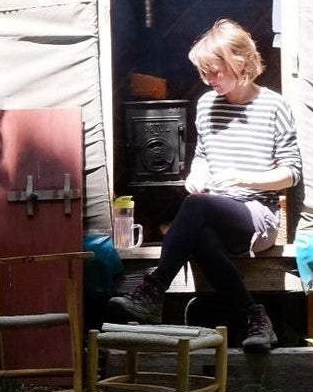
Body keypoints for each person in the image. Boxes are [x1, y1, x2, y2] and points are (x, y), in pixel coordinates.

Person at [110, 19, 301, 352]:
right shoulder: (206, 105)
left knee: (195, 208)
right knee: (200, 234)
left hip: (258, 214)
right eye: (204, 73)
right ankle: (254, 318)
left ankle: (154, 289)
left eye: (215, 72)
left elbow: (291, 173)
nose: (209, 81)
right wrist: (194, 175)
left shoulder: (274, 106)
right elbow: (201, 156)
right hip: (215, 209)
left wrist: (247, 178)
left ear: (239, 62)